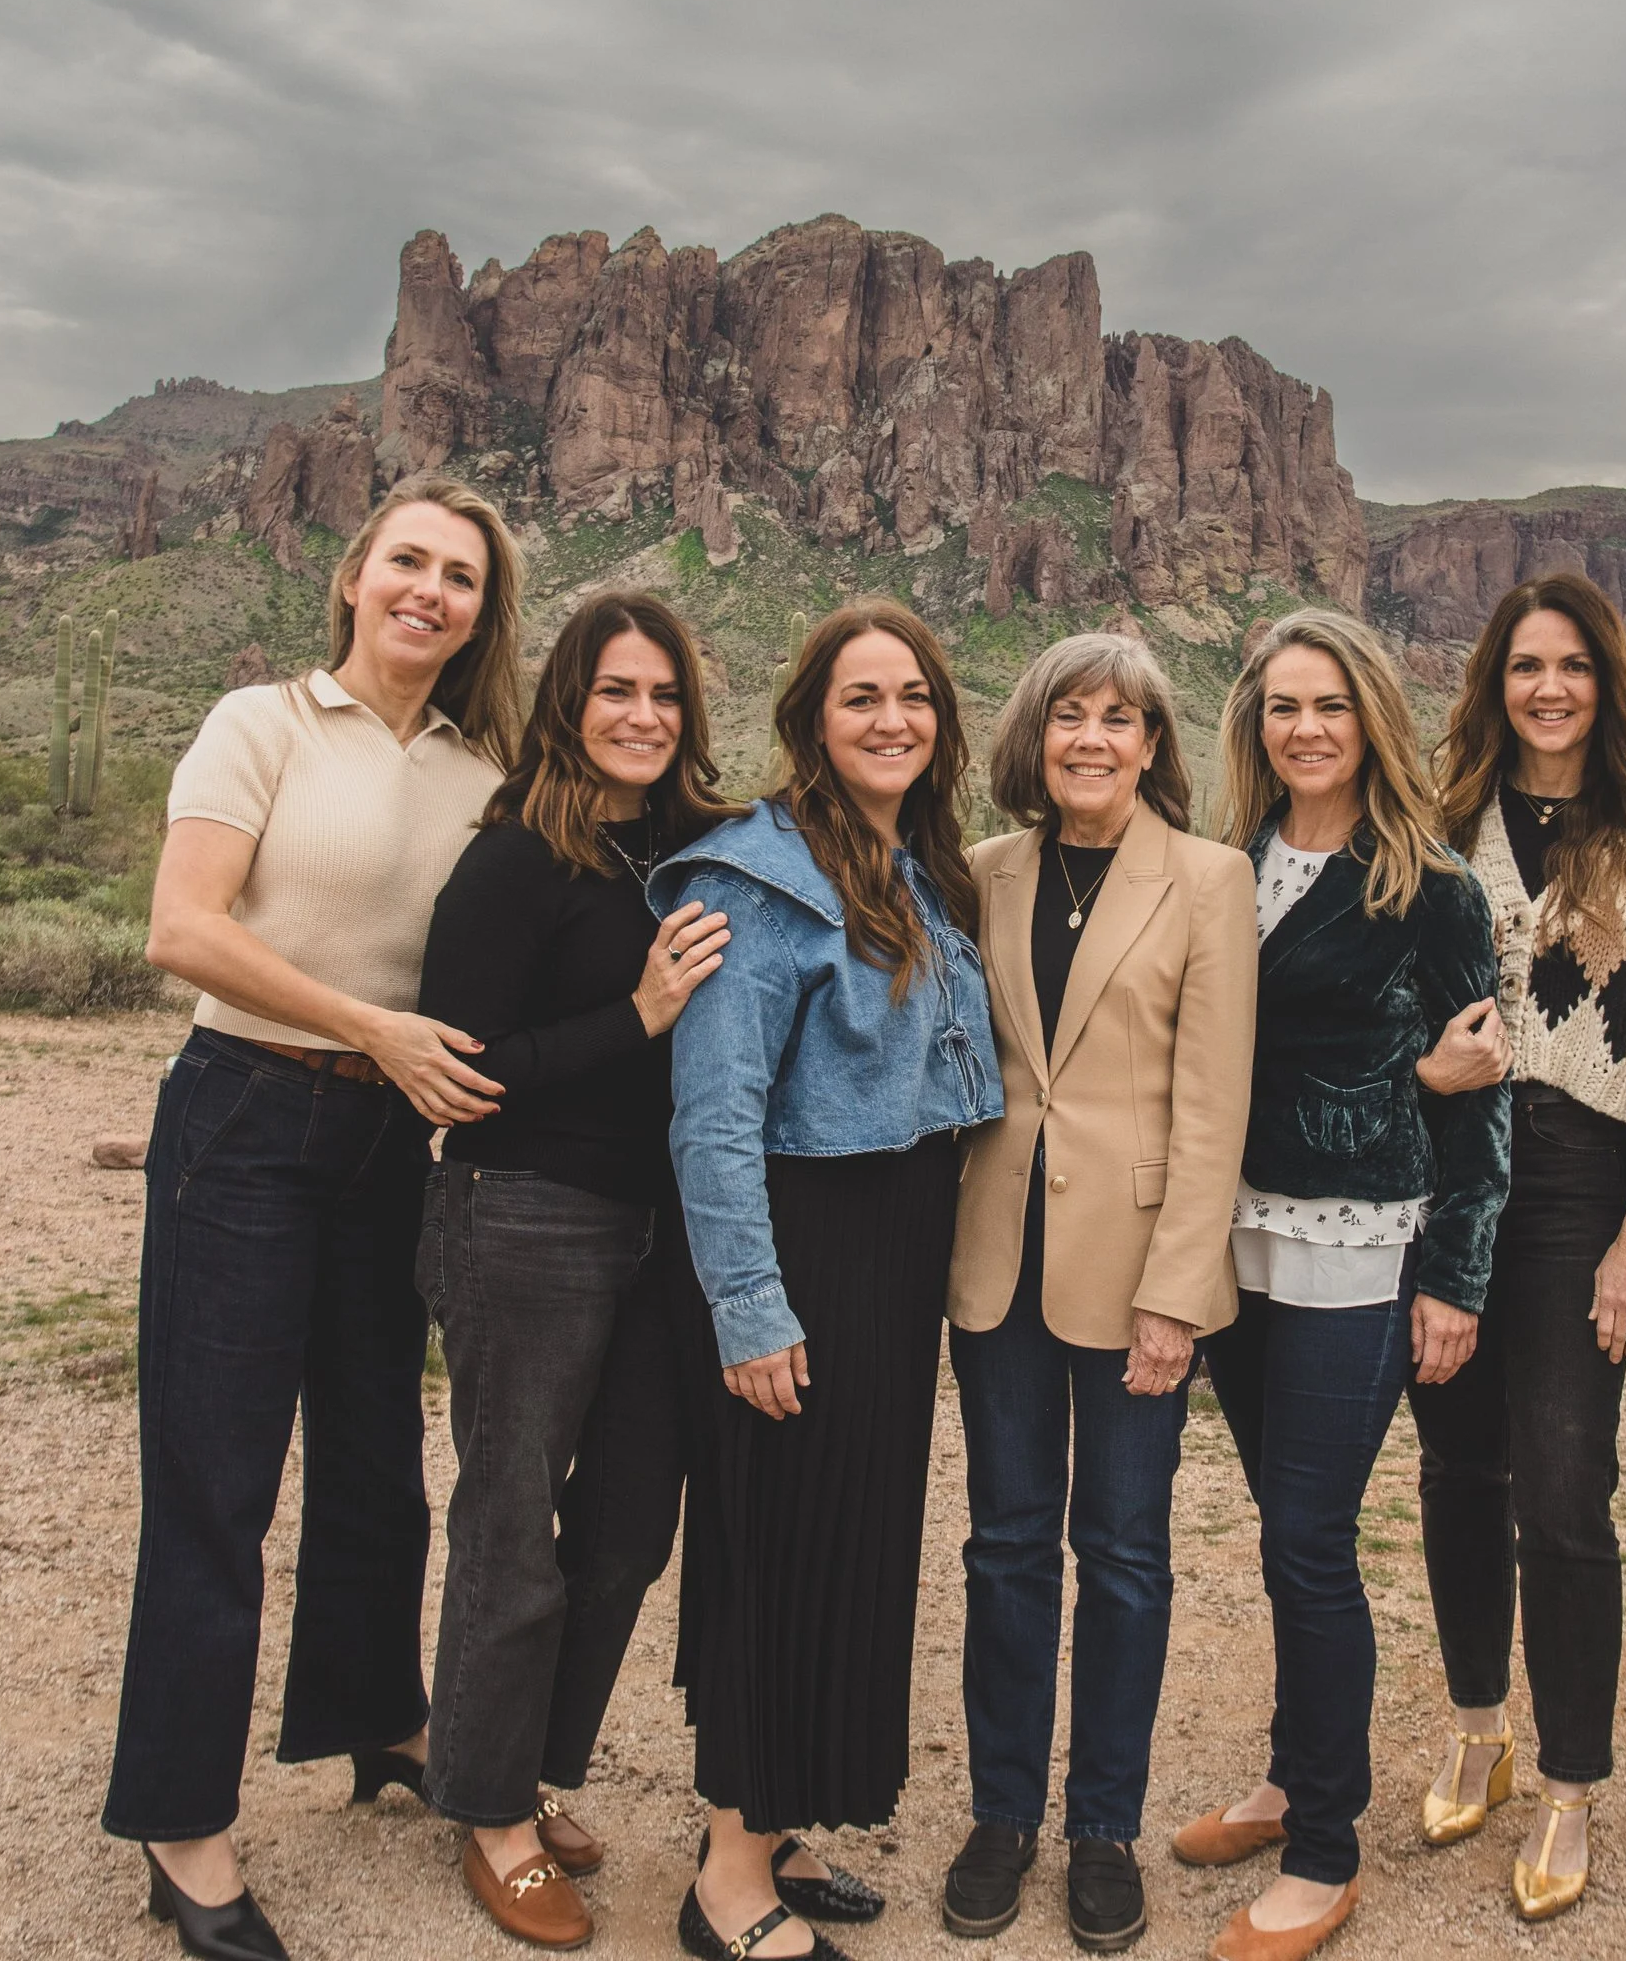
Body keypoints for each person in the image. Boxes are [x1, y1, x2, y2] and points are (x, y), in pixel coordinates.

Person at [105, 476, 526, 1961]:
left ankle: (378, 1720)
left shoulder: (487, 767)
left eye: (460, 576)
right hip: (245, 1112)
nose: (430, 591)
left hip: (391, 1139)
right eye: (406, 561)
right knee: (217, 1478)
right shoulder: (261, 723)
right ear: (353, 576)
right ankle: (182, 1824)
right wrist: (373, 1025)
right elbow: (184, 929)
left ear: (484, 609)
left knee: (374, 1457)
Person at [647, 600, 1004, 1961]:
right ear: (813, 719)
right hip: (799, 1246)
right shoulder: (752, 875)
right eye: (862, 697)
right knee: (780, 1543)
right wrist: (750, 1304)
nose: (893, 719)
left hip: (892, 1247)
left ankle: (773, 1819)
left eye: (913, 695)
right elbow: (715, 1112)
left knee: (841, 1542)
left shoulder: (913, 864)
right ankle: (726, 1884)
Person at [1176, 609, 1511, 1961]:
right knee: (1280, 1521)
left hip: (1358, 1246)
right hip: (1232, 1240)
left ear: (1371, 715)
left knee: (1310, 1538)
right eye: (1279, 708)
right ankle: (1287, 1778)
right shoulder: (1223, 867)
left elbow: (1479, 1100)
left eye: (1327, 704)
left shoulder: (1431, 889)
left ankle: (1325, 1851)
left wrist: (1457, 1280)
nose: (1303, 729)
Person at [413, 592, 741, 1947]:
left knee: (620, 1531)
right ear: (570, 701)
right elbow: (461, 1070)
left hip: (660, 1231)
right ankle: (492, 1811)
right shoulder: (514, 861)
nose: (643, 718)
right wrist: (640, 1014)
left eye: (665, 697)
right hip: (523, 1213)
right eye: (617, 692)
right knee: (510, 1519)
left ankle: (528, 1767)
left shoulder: (687, 849)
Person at [1410, 572, 1626, 1920]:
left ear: (1608, 680)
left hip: (1585, 1186)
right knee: (1453, 1466)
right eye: (1527, 666)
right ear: (1496, 681)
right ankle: (1478, 1722)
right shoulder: (1436, 830)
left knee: (1563, 1486)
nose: (1550, 688)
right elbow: (1390, 999)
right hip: (1452, 1177)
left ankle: (1573, 1782)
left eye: (1575, 667)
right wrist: (1425, 1070)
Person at [940, 634, 1257, 1952]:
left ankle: (1102, 1830)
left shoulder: (1208, 879)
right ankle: (1004, 1814)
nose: (1090, 739)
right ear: (1036, 734)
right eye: (1068, 714)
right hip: (996, 1258)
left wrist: (1179, 1291)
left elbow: (1213, 1100)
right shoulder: (979, 873)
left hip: (1138, 1272)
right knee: (1007, 1544)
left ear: (1152, 746)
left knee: (1122, 1557)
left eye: (1118, 720)